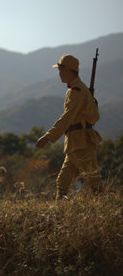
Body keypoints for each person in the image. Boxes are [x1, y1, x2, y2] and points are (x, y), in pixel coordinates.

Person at [36, 54, 103, 199]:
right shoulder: (75, 89)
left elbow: (67, 117)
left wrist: (48, 137)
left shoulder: (77, 90)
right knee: (63, 182)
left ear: (68, 70)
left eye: (60, 70)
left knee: (93, 182)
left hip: (82, 144)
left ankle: (107, 211)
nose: (59, 73)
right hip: (74, 144)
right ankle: (59, 214)